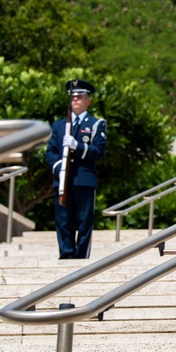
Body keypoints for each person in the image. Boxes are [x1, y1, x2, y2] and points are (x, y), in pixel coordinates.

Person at [44, 79, 107, 259]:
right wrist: (60, 167)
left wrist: (77, 146)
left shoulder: (96, 124)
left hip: (84, 179)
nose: (75, 100)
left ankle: (81, 256)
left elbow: (98, 151)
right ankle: (66, 254)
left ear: (88, 100)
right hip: (63, 179)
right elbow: (50, 152)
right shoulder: (58, 126)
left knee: (83, 220)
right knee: (63, 220)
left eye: (79, 97)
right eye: (73, 97)